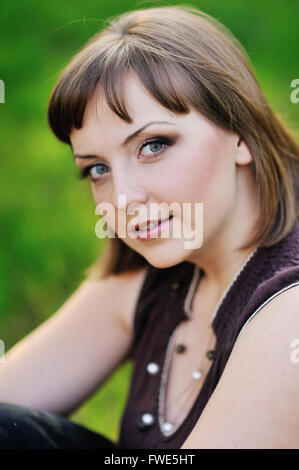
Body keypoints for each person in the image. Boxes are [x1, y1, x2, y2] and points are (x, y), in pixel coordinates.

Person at [0, 5, 299, 449]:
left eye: (154, 145)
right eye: (97, 169)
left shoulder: (289, 311)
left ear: (240, 133)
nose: (121, 200)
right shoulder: (161, 271)